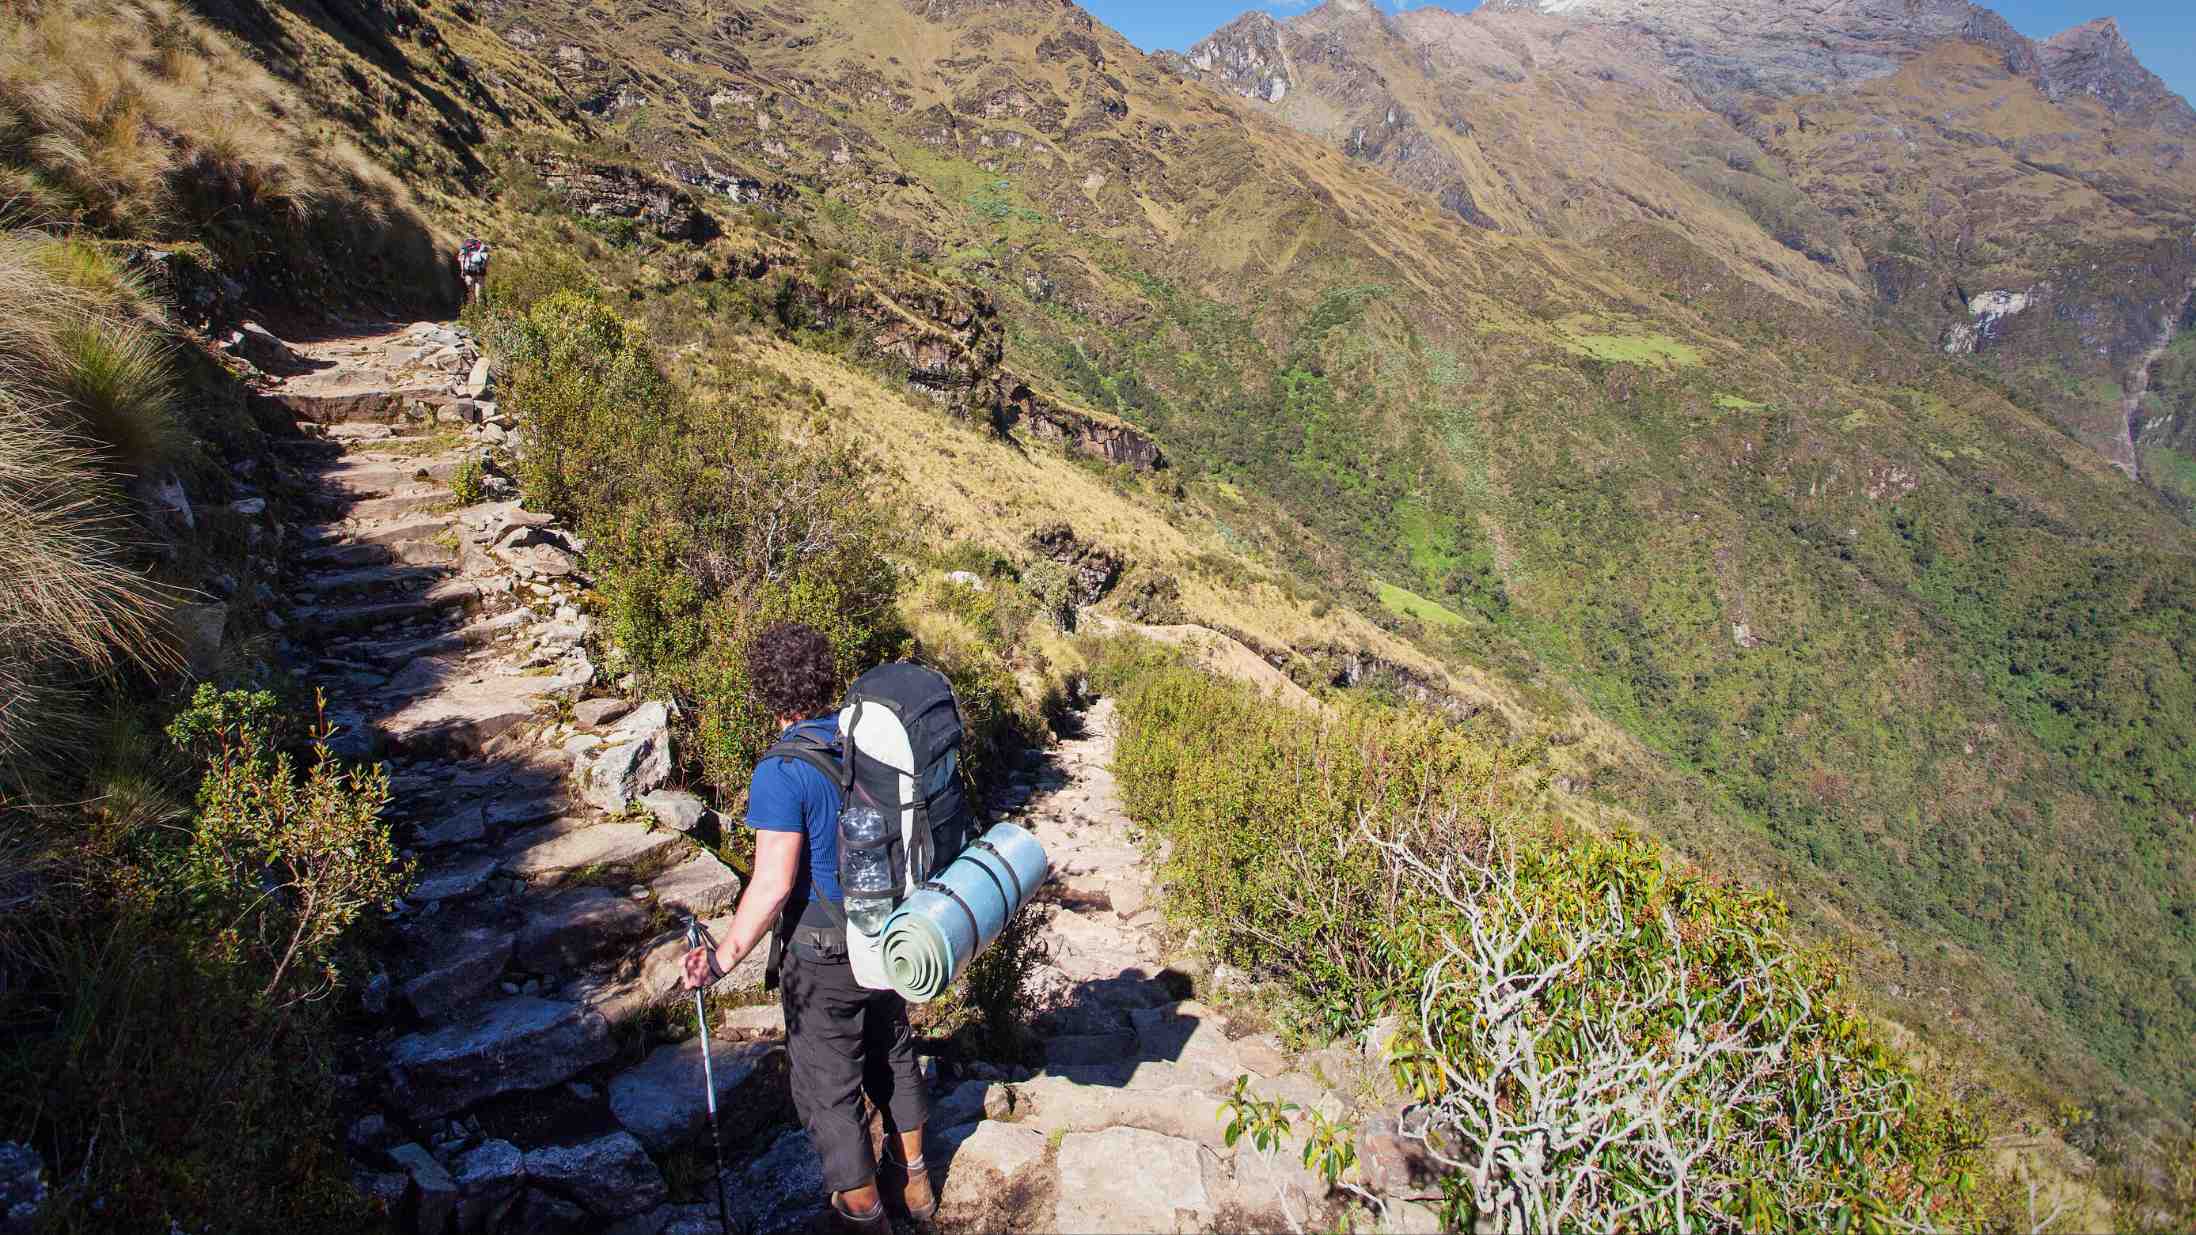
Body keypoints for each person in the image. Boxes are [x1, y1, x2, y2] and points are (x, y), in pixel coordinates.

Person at [681, 622, 933, 1232]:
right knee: (892, 1052)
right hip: (886, 934)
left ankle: (866, 1215)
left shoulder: (780, 771)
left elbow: (771, 884)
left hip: (823, 955)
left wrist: (720, 959)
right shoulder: (865, 741)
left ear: (767, 692)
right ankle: (918, 1183)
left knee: (829, 1090)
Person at [457, 238, 489, 304]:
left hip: (469, 272)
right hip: (480, 272)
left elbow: (461, 260)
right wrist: (484, 270)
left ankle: (471, 308)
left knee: (471, 291)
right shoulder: (482, 248)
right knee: (479, 293)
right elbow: (486, 260)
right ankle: (479, 309)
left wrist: (462, 271)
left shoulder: (465, 248)